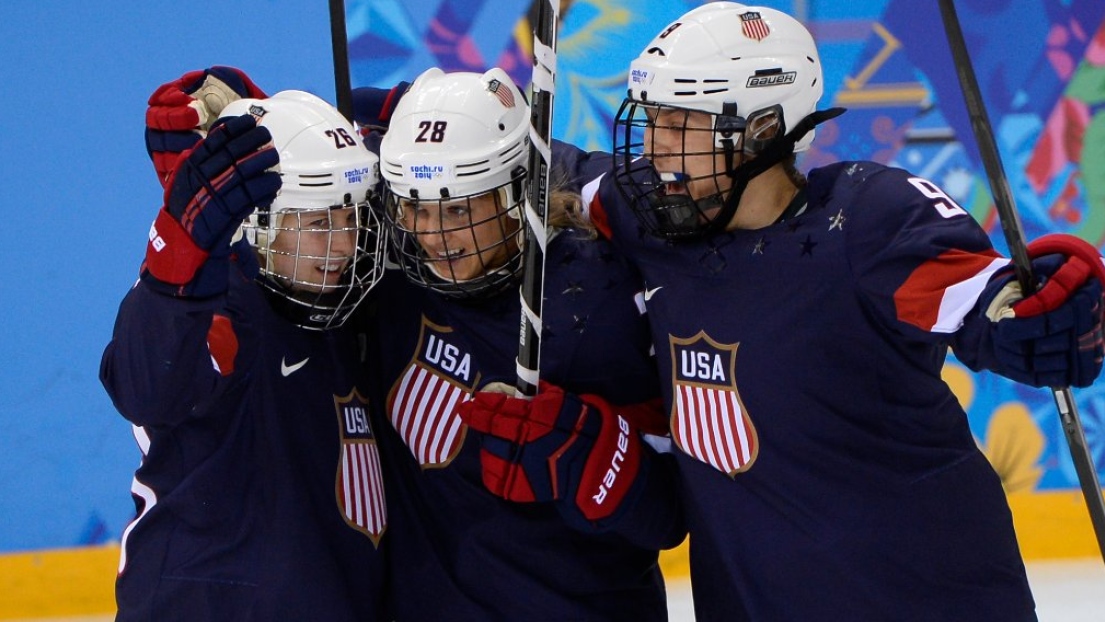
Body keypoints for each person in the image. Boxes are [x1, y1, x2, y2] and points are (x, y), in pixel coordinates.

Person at [563, 3, 1105, 620]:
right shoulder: (652, 217)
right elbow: (549, 169)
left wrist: (1040, 315)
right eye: (652, 118)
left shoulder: (869, 221)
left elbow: (986, 307)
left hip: (932, 599)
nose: (656, 146)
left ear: (765, 130)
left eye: (682, 122)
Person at [367, 66, 685, 619]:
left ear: (520, 192)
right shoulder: (391, 273)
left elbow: (667, 514)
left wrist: (589, 447)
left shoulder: (598, 299)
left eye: (458, 209)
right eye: (416, 208)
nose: (434, 236)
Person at [100, 88, 390, 621]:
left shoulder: (337, 305)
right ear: (257, 225)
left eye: (349, 219)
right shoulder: (224, 305)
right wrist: (176, 265)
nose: (345, 245)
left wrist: (273, 116)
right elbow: (148, 388)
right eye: (319, 224)